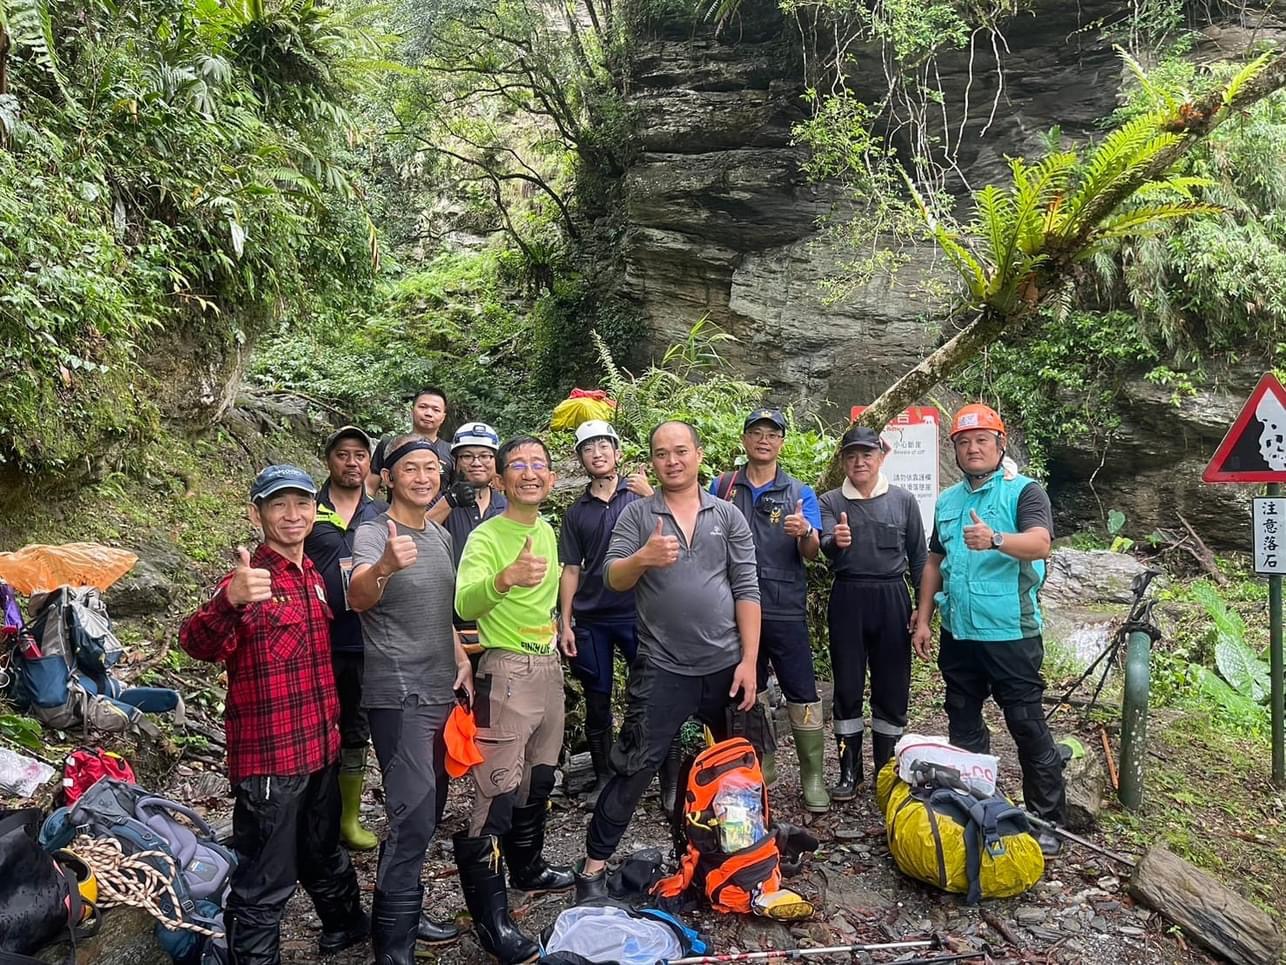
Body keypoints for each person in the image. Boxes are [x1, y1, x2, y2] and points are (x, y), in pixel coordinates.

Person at [178, 465, 365, 964]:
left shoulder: (313, 577)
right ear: (256, 513)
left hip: (320, 746)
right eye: (278, 505)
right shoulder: (248, 582)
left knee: (324, 852)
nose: (292, 515)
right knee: (265, 878)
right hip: (270, 761)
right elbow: (196, 643)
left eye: (301, 504)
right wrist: (230, 602)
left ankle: (347, 929)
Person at [574, 420, 762, 903]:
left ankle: (738, 856)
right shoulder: (638, 514)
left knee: (739, 764)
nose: (672, 460)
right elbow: (613, 577)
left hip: (725, 663)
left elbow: (746, 588)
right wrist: (644, 558)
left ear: (699, 455)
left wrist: (749, 661)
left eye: (681, 451)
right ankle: (592, 868)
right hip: (662, 666)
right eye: (661, 453)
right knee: (633, 765)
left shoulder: (728, 515)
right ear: (652, 461)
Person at [910, 404, 1065, 855]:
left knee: (1026, 725)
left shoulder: (1024, 492)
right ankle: (974, 806)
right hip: (959, 633)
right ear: (955, 449)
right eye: (964, 441)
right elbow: (935, 561)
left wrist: (996, 538)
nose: (973, 448)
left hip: (1010, 634)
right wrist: (922, 619)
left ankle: (1046, 818)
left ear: (1000, 444)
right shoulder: (949, 501)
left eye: (982, 440)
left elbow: (1040, 544)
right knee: (963, 723)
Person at [348, 435, 474, 962]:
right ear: (390, 477)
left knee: (429, 807)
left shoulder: (441, 535)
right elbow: (356, 597)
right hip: (398, 697)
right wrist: (383, 567)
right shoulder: (374, 532)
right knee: (414, 814)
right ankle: (392, 946)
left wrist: (461, 659)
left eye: (431, 468)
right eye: (411, 469)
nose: (423, 477)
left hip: (441, 690)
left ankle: (406, 908)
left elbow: (441, 613)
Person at [453, 435, 574, 964]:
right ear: (500, 480)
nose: (530, 473)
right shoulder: (487, 536)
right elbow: (463, 600)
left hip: (547, 668)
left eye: (540, 466)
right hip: (504, 671)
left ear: (550, 478)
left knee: (539, 777)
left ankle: (527, 866)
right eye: (518, 466)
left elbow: (546, 599)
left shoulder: (546, 529)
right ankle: (492, 920)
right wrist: (505, 578)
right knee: (497, 791)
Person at [712, 407, 828, 813]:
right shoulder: (723, 487)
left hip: (784, 606)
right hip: (734, 607)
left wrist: (806, 533)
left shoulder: (800, 492)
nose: (764, 439)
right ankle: (763, 761)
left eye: (772, 434)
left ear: (781, 442)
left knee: (802, 689)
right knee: (750, 688)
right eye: (757, 432)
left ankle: (812, 775)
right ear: (744, 439)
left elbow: (811, 554)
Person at [818, 425, 926, 799]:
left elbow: (919, 558)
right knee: (847, 687)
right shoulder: (831, 501)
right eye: (851, 455)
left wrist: (923, 611)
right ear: (843, 461)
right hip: (848, 597)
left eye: (867, 454)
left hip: (892, 596)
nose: (859, 462)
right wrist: (836, 541)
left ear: (881, 457)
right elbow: (825, 541)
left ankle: (887, 770)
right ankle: (850, 772)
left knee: (892, 687)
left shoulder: (903, 500)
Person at [557, 420, 652, 809]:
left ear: (617, 452)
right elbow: (571, 568)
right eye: (588, 448)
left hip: (638, 612)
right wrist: (565, 621)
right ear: (580, 458)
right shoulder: (576, 511)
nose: (597, 453)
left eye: (603, 445)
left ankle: (653, 771)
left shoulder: (639, 497)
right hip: (593, 616)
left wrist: (654, 496)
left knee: (648, 693)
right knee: (597, 698)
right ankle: (604, 776)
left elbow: (673, 534)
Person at [303, 425, 387, 854]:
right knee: (314, 727)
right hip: (316, 638)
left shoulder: (381, 514)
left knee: (356, 728)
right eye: (342, 454)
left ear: (369, 463)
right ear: (328, 460)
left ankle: (348, 820)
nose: (351, 462)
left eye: (359, 455)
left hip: (367, 638)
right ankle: (314, 815)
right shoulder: (306, 511)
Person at [436, 422, 507, 648]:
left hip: (501, 621)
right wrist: (450, 501)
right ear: (455, 462)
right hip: (449, 621)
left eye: (485, 456)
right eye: (467, 456)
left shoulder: (507, 506)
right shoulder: (440, 501)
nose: (477, 462)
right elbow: (417, 530)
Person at [368, 386, 455, 499]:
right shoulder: (389, 444)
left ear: (443, 417)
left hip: (438, 515)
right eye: (423, 407)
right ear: (412, 411)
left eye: (436, 410)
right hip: (395, 514)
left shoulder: (452, 451)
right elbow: (369, 488)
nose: (428, 413)